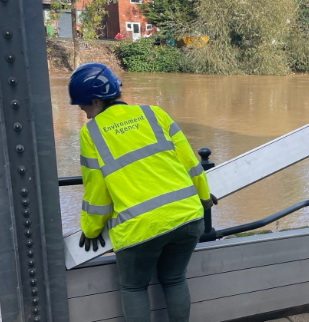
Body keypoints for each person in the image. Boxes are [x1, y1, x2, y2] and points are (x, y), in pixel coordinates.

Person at [69, 62, 217, 322]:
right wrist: (204, 199)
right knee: (174, 279)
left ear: (96, 100)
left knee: (134, 287)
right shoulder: (154, 114)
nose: (85, 114)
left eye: (84, 107)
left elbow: (96, 191)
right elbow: (192, 165)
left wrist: (91, 229)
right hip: (187, 216)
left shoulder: (91, 132)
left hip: (139, 228)